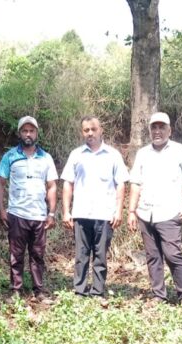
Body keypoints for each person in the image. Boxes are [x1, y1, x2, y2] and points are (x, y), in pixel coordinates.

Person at [127, 112, 182, 306]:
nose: (157, 131)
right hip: (145, 213)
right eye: (154, 127)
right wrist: (132, 211)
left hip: (169, 213)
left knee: (172, 254)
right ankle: (159, 295)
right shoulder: (143, 153)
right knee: (153, 256)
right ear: (150, 130)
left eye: (161, 127)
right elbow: (135, 183)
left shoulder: (180, 151)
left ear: (170, 130)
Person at [60, 116, 129, 299]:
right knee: (81, 255)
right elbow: (68, 183)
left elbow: (120, 184)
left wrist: (118, 210)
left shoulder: (113, 155)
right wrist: (66, 211)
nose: (90, 133)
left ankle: (98, 291)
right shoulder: (76, 154)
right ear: (82, 132)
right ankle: (80, 291)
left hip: (105, 214)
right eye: (86, 130)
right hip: (81, 213)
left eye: (93, 129)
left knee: (100, 255)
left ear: (101, 130)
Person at [0, 116, 58, 303]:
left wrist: (51, 213)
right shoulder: (10, 156)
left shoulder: (46, 158)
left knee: (38, 255)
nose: (28, 134)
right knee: (16, 255)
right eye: (25, 130)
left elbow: (52, 186)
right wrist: (1, 209)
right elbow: (0, 183)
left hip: (38, 216)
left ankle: (39, 291)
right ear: (19, 133)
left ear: (37, 133)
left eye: (31, 131)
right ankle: (16, 290)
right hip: (17, 214)